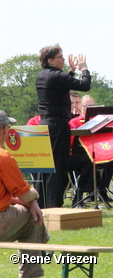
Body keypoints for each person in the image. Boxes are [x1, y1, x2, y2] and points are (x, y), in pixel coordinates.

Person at [35, 44, 91, 208]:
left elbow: (60, 85)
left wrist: (71, 72)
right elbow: (85, 85)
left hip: (44, 123)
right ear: (51, 60)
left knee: (44, 165)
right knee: (58, 165)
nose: (64, 60)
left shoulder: (42, 76)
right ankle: (53, 203)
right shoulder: (57, 77)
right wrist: (84, 69)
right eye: (60, 57)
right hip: (58, 125)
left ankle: (42, 202)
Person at [0, 110, 49, 278]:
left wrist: (26, 202)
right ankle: (33, 270)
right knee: (32, 218)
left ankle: (43, 248)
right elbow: (25, 194)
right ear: (3, 129)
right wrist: (32, 201)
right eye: (8, 126)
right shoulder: (3, 157)